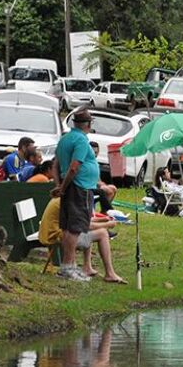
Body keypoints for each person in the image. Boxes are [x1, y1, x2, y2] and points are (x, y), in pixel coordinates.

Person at [51, 109, 100, 282]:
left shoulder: (65, 139)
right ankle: (67, 267)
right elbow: (74, 167)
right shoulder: (80, 140)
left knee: (68, 227)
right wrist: (62, 187)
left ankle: (70, 265)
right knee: (75, 227)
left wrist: (59, 185)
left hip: (71, 187)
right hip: (80, 187)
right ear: (88, 124)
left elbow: (55, 164)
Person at [39, 197, 127, 283]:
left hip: (51, 233)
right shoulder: (69, 202)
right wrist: (107, 224)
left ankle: (87, 267)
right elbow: (84, 225)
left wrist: (102, 219)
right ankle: (109, 273)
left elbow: (82, 220)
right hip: (57, 236)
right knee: (103, 233)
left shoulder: (61, 198)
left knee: (92, 232)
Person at [89, 141, 117, 214]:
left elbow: (98, 179)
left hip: (96, 185)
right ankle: (107, 210)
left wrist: (102, 184)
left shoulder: (95, 163)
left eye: (96, 152)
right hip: (88, 186)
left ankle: (104, 210)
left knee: (113, 188)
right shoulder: (87, 162)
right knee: (107, 190)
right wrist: (101, 185)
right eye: (93, 152)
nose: (94, 154)